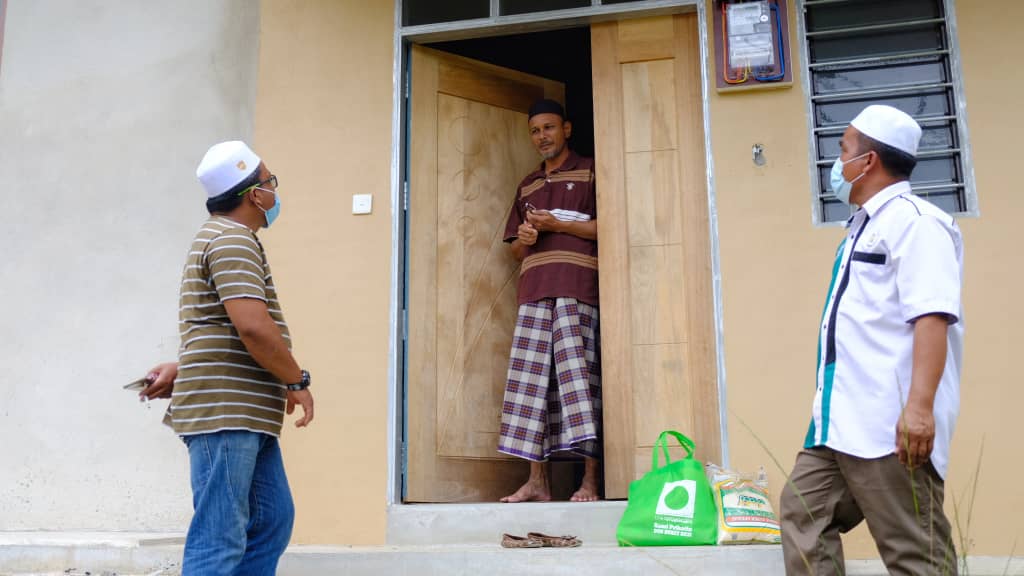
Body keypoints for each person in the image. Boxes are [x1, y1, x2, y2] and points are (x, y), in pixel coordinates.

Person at [780, 105, 963, 575]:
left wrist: (918, 409)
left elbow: (932, 317)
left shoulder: (917, 223)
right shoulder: (863, 226)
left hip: (888, 424)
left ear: (869, 161)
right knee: (803, 513)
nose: (836, 162)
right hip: (838, 420)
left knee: (912, 552)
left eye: (844, 149)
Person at [139, 141, 314, 576]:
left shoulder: (221, 238)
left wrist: (185, 368)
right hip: (227, 411)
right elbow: (252, 326)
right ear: (255, 194)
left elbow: (215, 325)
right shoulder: (232, 240)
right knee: (219, 536)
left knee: (270, 520)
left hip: (242, 410)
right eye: (270, 181)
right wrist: (295, 379)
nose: (274, 190)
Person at [497, 99, 602, 503]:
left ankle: (589, 481)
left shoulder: (591, 170)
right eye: (535, 130)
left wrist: (557, 224)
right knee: (530, 387)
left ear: (567, 129)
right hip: (534, 291)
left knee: (580, 384)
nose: (542, 136)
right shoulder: (527, 185)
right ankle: (537, 481)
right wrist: (525, 239)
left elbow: (609, 226)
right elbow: (515, 250)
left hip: (578, 287)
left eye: (549, 127)